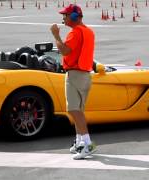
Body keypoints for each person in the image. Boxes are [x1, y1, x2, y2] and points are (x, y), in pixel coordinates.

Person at [50, 4, 96, 160]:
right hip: (85, 74)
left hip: (75, 74)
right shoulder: (88, 31)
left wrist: (56, 35)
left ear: (75, 17)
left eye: (66, 15)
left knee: (74, 110)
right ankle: (80, 143)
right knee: (78, 111)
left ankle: (87, 144)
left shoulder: (75, 33)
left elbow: (65, 51)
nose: (63, 18)